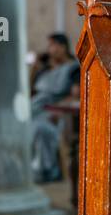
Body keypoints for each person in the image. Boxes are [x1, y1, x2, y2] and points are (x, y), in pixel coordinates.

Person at [29, 33, 79, 183]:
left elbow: (76, 95)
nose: (50, 49)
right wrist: (34, 68)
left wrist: (58, 108)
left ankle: (46, 170)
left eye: (53, 45)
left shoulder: (73, 69)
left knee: (39, 128)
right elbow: (30, 91)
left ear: (62, 47)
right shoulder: (45, 69)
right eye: (49, 46)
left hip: (55, 110)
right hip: (35, 107)